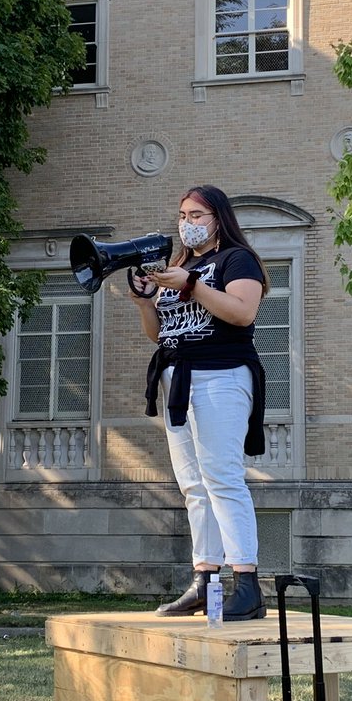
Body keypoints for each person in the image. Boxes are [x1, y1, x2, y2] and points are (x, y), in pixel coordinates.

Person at [133, 184, 269, 621]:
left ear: (218, 219)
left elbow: (242, 312)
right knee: (193, 486)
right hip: (178, 378)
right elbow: (158, 332)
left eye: (196, 215)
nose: (186, 223)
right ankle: (204, 579)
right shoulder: (180, 265)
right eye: (182, 215)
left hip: (221, 377)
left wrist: (191, 284)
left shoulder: (235, 259)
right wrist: (143, 299)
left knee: (223, 479)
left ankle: (246, 584)